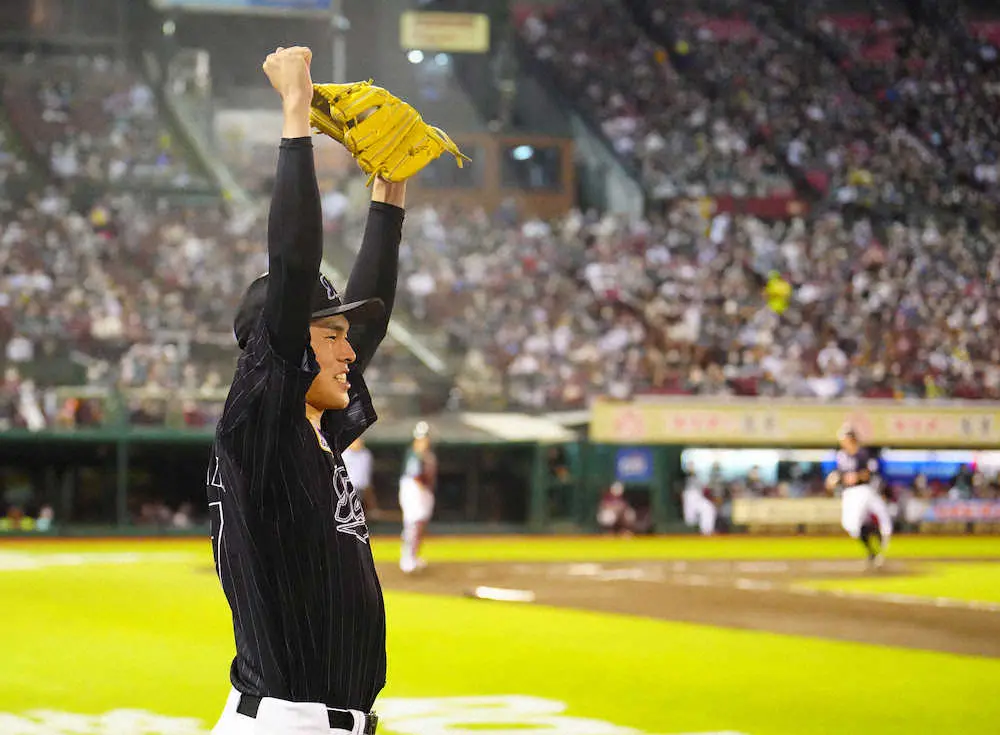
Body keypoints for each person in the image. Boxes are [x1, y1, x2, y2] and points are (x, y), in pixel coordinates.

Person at [206, 46, 405, 735]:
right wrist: (296, 116)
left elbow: (365, 323)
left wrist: (391, 190)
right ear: (283, 346)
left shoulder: (311, 433)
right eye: (329, 335)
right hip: (284, 724)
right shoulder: (259, 425)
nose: (349, 351)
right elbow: (293, 269)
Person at [826, 424, 892, 568]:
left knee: (860, 521)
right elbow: (839, 473)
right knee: (850, 526)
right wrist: (833, 479)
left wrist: (856, 476)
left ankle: (873, 545)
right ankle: (873, 538)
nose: (844, 442)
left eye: (846, 438)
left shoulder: (863, 453)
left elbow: (869, 472)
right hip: (848, 492)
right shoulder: (841, 455)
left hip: (863, 490)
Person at [398, 420, 437, 573]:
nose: (423, 440)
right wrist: (423, 492)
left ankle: (413, 556)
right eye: (421, 438)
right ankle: (407, 558)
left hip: (424, 489)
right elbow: (415, 476)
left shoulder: (428, 455)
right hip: (413, 488)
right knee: (413, 523)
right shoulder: (414, 454)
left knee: (420, 524)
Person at [343, 437, 376, 515]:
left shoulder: (366, 454)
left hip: (362, 489)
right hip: (346, 489)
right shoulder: (344, 453)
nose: (358, 443)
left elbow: (366, 476)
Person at [681, 464, 717, 536]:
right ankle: (704, 532)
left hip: (697, 496)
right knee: (690, 520)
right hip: (689, 496)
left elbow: (706, 487)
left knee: (708, 508)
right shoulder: (683, 476)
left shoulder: (699, 477)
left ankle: (706, 532)